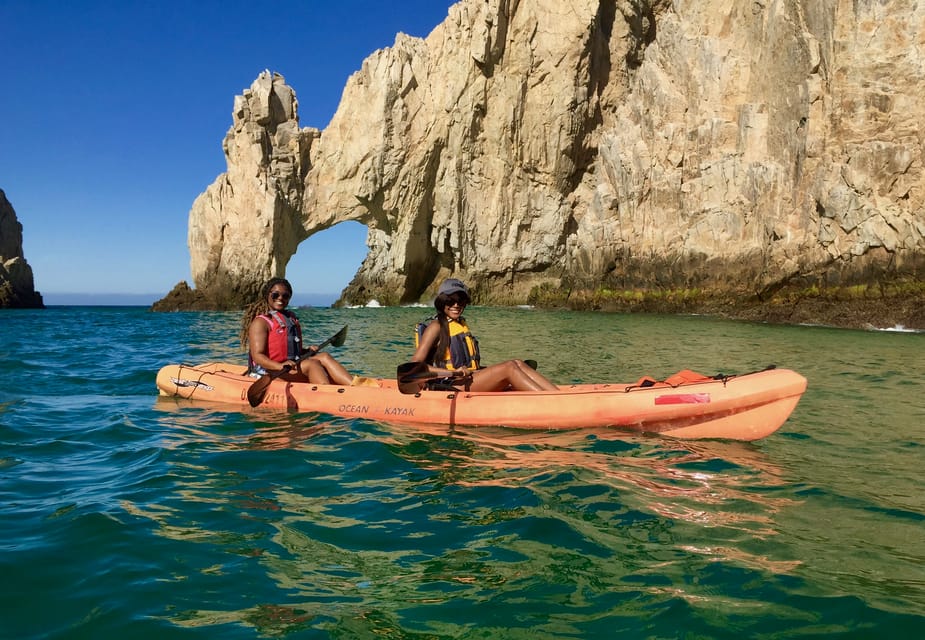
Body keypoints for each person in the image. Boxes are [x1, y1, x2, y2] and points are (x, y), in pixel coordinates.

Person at [409, 278, 558, 391]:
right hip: (450, 383)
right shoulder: (435, 327)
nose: (456, 305)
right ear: (442, 302)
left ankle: (556, 395)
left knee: (517, 363)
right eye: (451, 300)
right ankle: (550, 403)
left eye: (461, 301)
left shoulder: (459, 324)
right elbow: (414, 367)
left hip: (468, 379)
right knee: (509, 368)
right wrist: (453, 372)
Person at [239, 278, 354, 385]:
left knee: (324, 356)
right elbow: (257, 356)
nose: (280, 298)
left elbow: (289, 351)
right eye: (275, 294)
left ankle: (355, 386)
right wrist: (279, 366)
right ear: (267, 295)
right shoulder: (261, 322)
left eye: (285, 296)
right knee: (312, 365)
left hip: (289, 366)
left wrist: (306, 351)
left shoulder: (290, 318)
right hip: (269, 371)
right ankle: (328, 395)